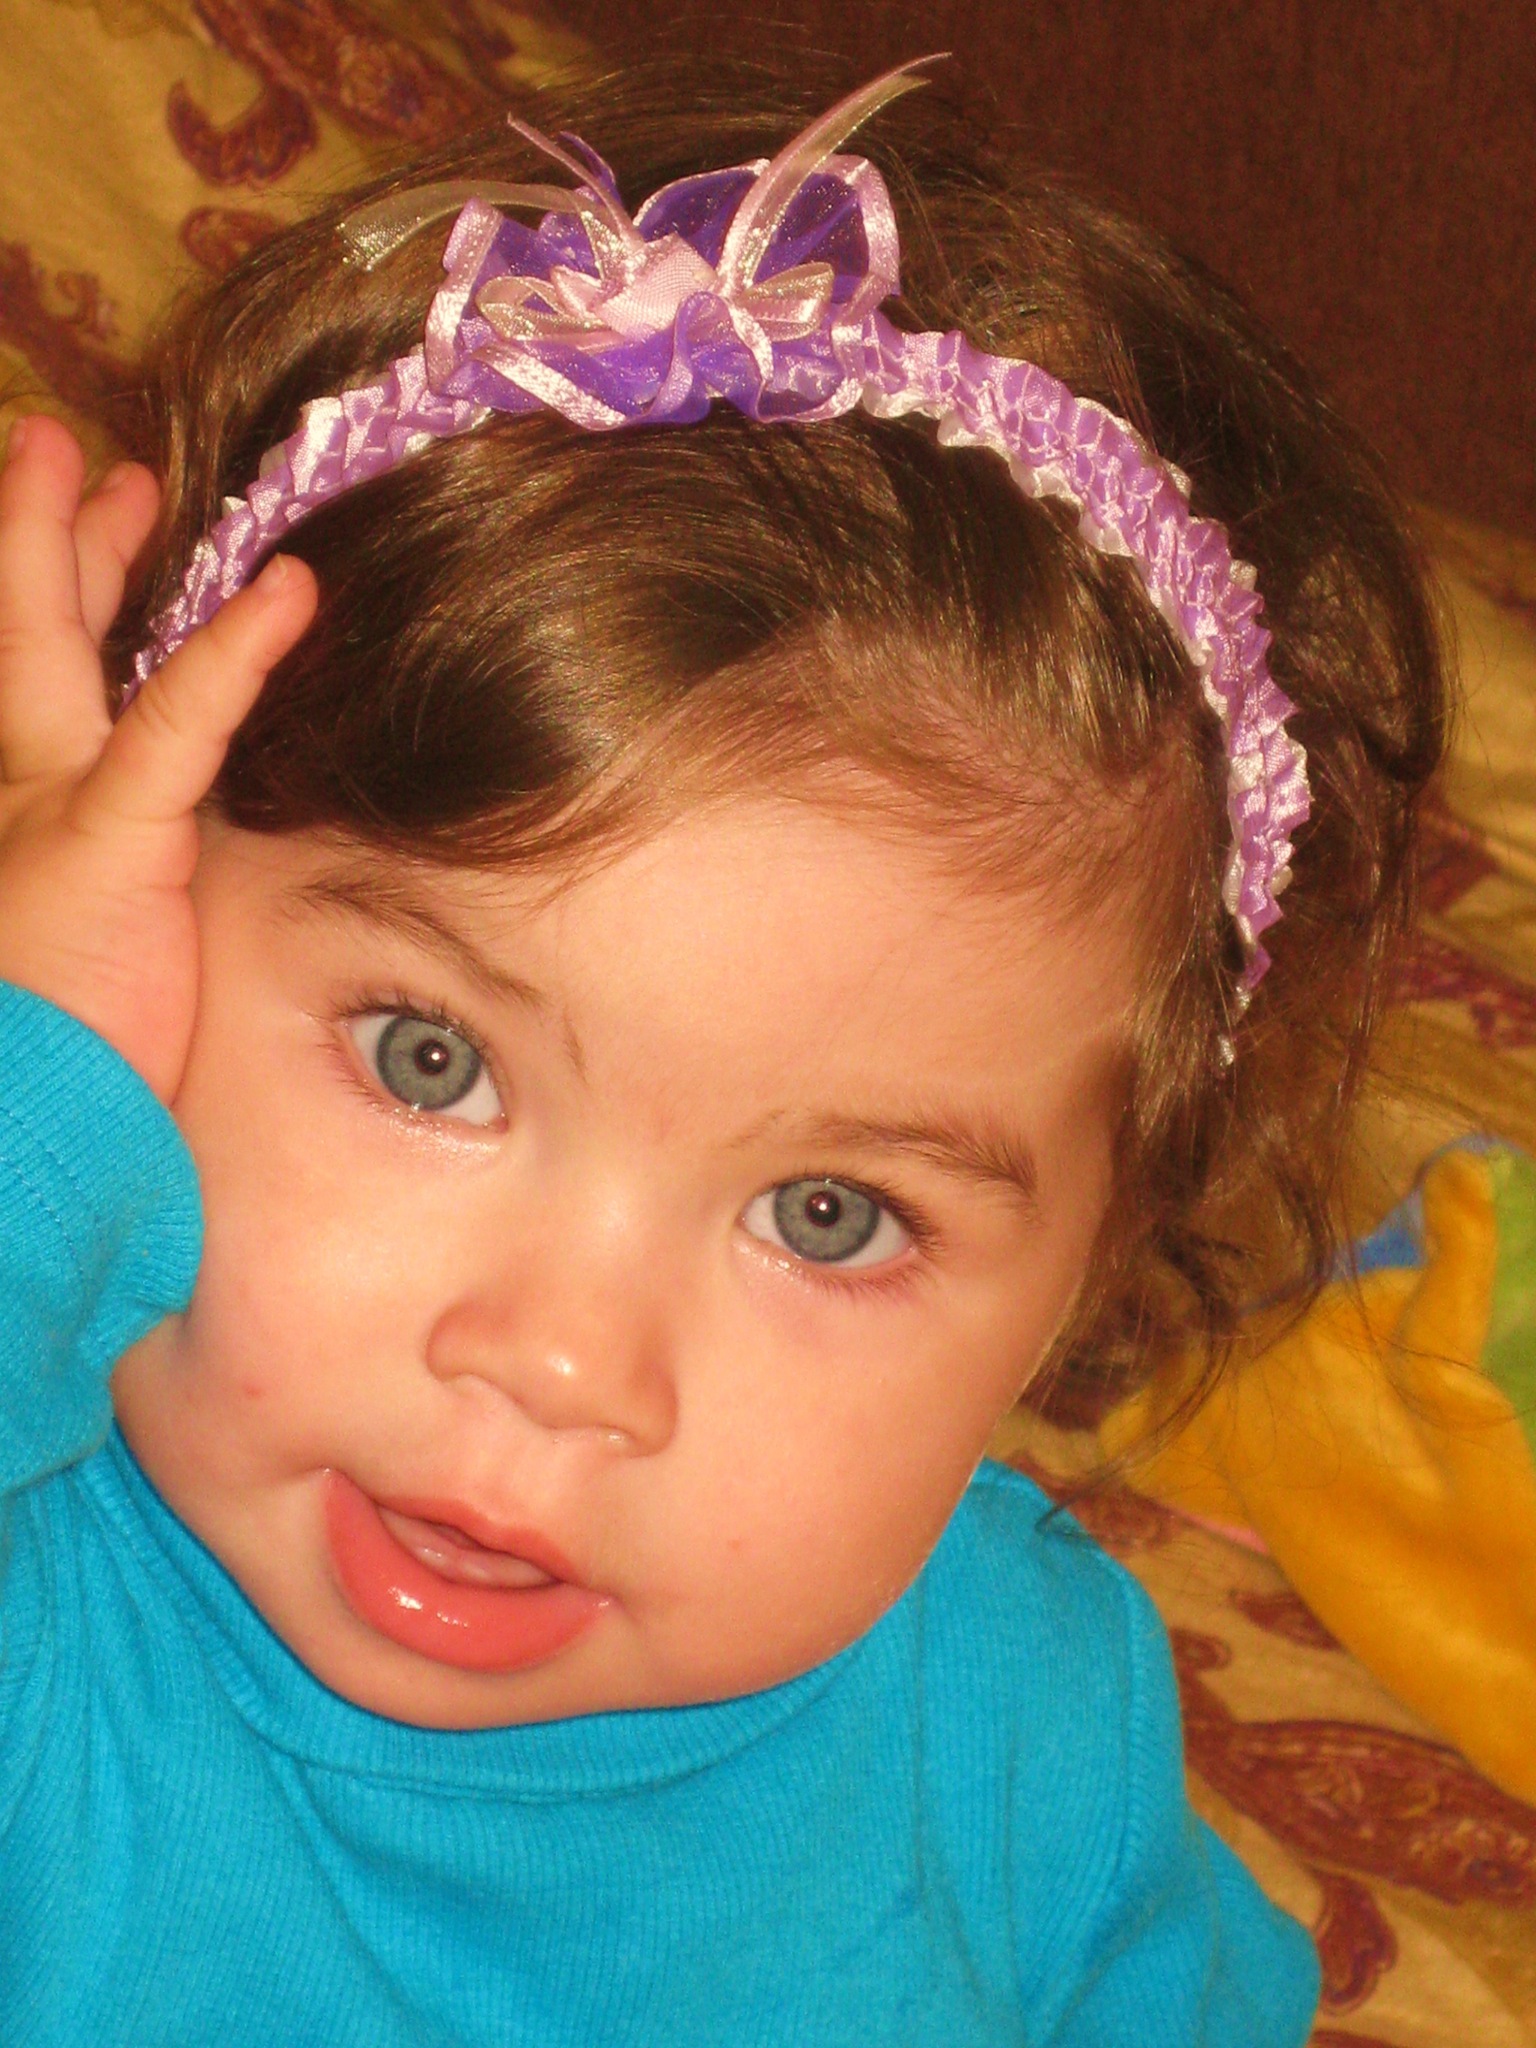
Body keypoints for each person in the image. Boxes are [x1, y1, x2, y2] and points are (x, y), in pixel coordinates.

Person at [0, 54, 1444, 2046]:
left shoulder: (1025, 1734)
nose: (563, 1362)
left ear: (1087, 1278)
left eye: (831, 1213)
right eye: (430, 1063)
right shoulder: (47, 1612)